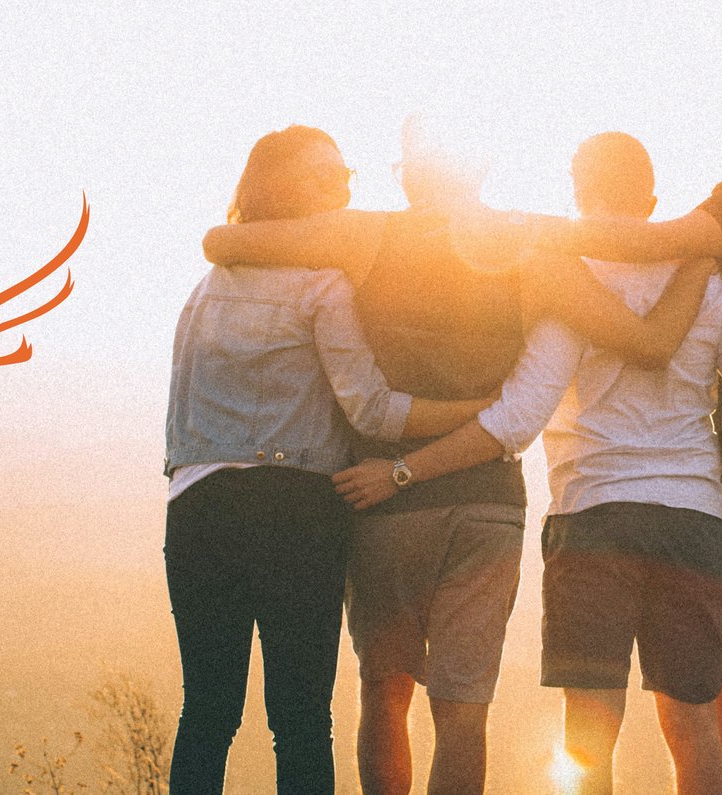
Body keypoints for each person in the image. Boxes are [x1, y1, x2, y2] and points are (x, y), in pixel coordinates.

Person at [331, 132, 722, 795]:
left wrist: (406, 469)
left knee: (589, 732)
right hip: (692, 524)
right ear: (654, 198)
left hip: (593, 521)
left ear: (577, 193)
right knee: (693, 727)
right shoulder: (714, 284)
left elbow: (517, 418)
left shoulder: (569, 280)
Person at [199, 116, 713, 795]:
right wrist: (705, 253)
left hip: (383, 499)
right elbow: (645, 342)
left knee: (385, 693)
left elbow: (221, 240)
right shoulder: (531, 250)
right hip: (488, 505)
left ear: (412, 174)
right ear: (480, 170)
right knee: (463, 711)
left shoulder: (364, 234)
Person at [162, 125, 491, 793]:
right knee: (302, 716)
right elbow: (370, 409)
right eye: (327, 176)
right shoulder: (322, 285)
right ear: (286, 189)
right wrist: (471, 411)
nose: (344, 185)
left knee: (207, 710)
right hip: (294, 509)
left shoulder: (205, 288)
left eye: (346, 173)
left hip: (195, 507)